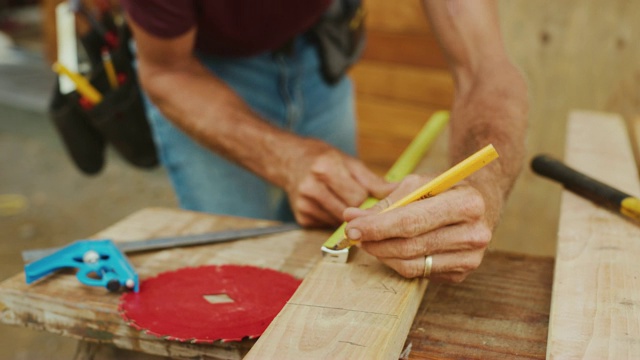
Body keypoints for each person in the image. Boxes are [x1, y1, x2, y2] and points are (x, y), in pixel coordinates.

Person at [120, 0, 528, 283]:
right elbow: (165, 71)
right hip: (200, 70)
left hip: (317, 45)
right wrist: (287, 159)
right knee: (234, 274)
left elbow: (485, 66)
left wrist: (480, 188)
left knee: (338, 235)